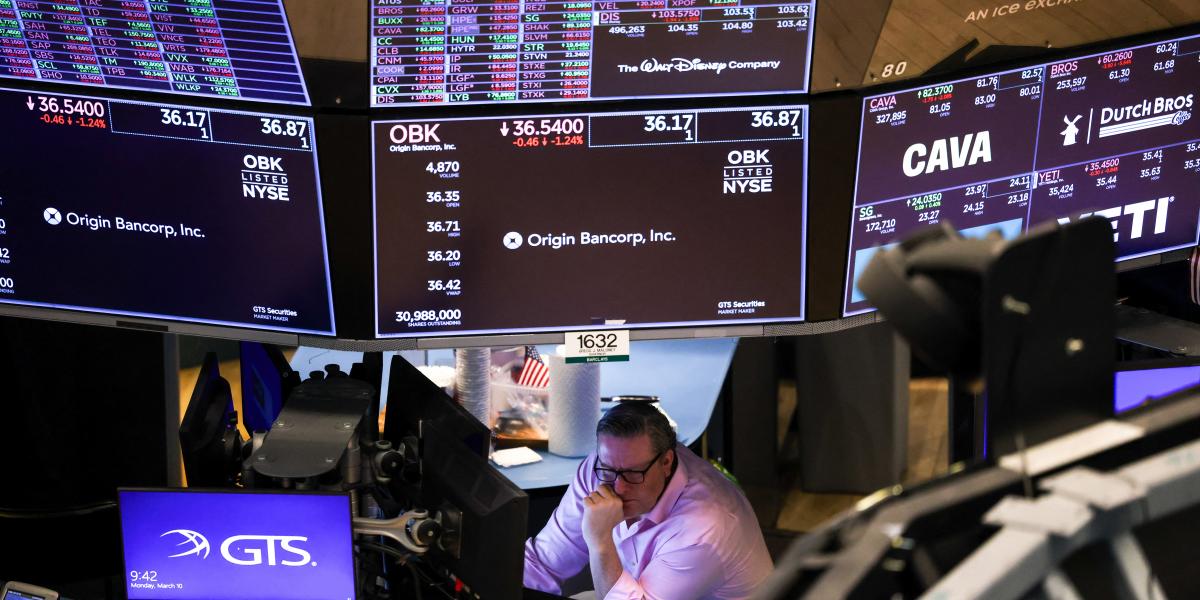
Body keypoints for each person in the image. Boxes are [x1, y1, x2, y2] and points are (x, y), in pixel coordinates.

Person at [524, 402, 773, 599]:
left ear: (665, 462)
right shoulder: (601, 469)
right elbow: (543, 562)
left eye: (634, 473)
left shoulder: (702, 531)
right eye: (609, 469)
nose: (619, 487)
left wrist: (600, 542)